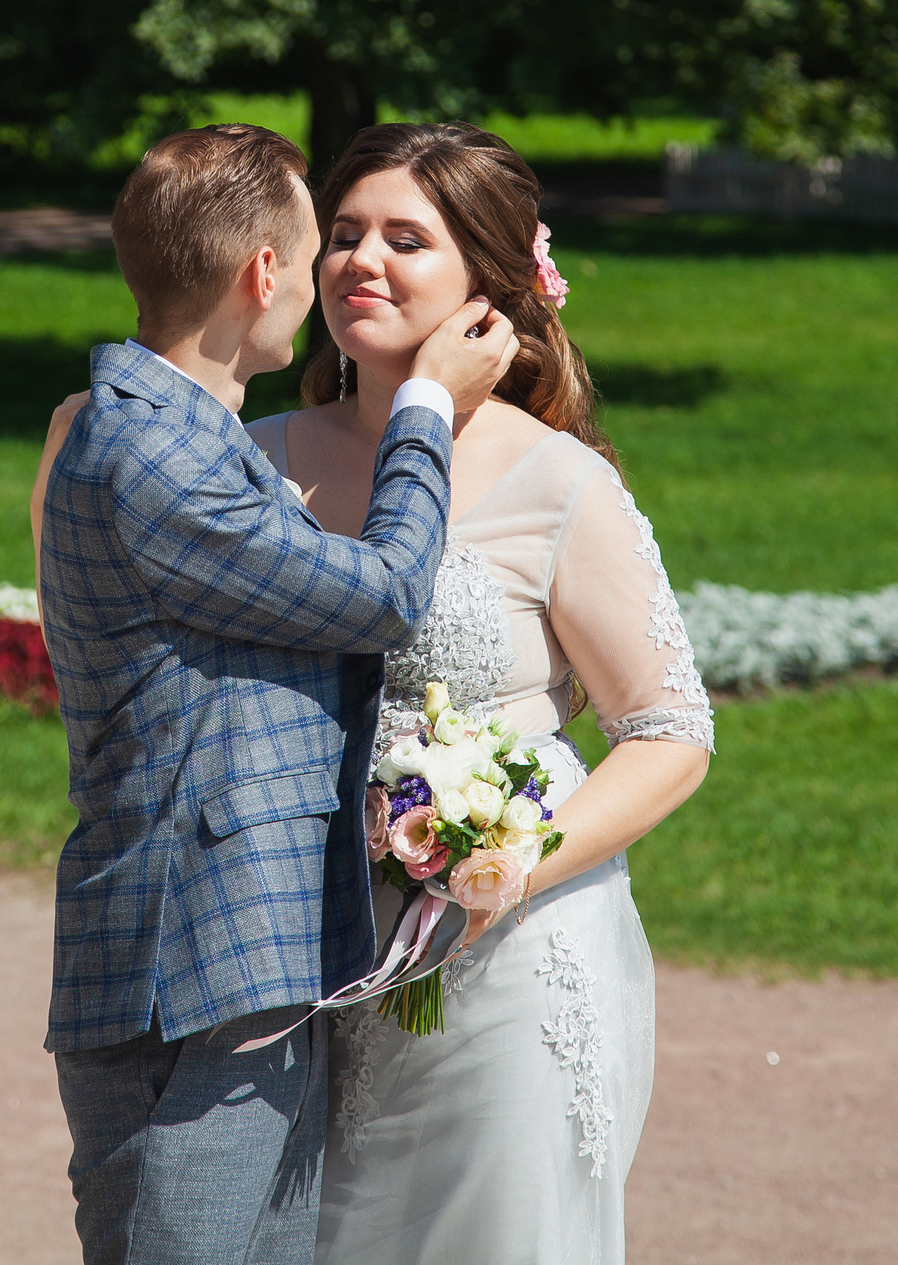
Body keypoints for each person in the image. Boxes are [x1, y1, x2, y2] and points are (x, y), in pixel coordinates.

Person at [34, 123, 519, 1265]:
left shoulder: (190, 434)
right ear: (264, 275)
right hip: (185, 965)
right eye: (317, 255)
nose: (328, 282)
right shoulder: (150, 452)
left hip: (250, 957)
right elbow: (385, 593)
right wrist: (423, 413)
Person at [247, 121, 715, 1265]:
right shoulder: (254, 459)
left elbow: (667, 731)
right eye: (345, 234)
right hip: (294, 963)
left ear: (488, 292)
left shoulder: (554, 480)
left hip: (502, 970)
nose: (362, 260)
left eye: (407, 239)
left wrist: (491, 873)